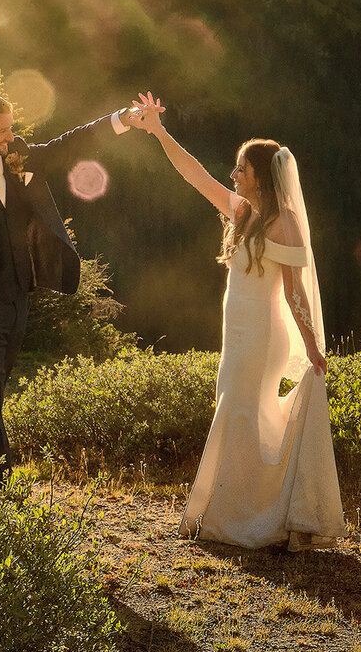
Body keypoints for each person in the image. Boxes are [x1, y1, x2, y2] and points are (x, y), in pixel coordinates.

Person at [134, 92, 345, 551]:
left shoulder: (284, 223)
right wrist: (158, 131)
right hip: (237, 335)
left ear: (261, 177)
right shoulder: (242, 212)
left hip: (263, 338)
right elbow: (196, 175)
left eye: (241, 170)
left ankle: (242, 519)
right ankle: (239, 512)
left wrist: (311, 347)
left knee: (241, 413)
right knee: (240, 415)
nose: (233, 176)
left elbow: (294, 292)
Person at [0, 91, 134, 484]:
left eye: (11, 128)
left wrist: (121, 118)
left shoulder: (17, 157)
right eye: (2, 130)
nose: (10, 136)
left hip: (19, 297)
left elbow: (70, 144)